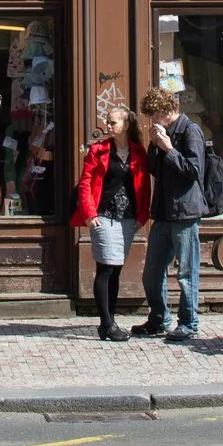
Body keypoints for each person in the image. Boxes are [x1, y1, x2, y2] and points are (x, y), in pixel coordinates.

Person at [135, 88, 210, 343]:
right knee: (152, 271)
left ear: (167, 110)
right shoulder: (162, 133)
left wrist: (168, 148)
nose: (152, 121)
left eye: (154, 115)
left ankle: (189, 322)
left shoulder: (191, 131)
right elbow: (153, 169)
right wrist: (156, 147)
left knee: (186, 272)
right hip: (164, 212)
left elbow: (193, 171)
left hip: (185, 212)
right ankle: (159, 318)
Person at [73, 106, 152, 342]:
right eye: (107, 122)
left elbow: (144, 186)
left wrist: (142, 216)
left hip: (127, 217)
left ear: (126, 125)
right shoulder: (98, 150)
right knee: (106, 267)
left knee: (116, 268)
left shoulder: (138, 152)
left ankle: (111, 321)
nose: (108, 126)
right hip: (103, 215)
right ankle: (106, 324)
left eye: (113, 123)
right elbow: (85, 183)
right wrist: (89, 213)